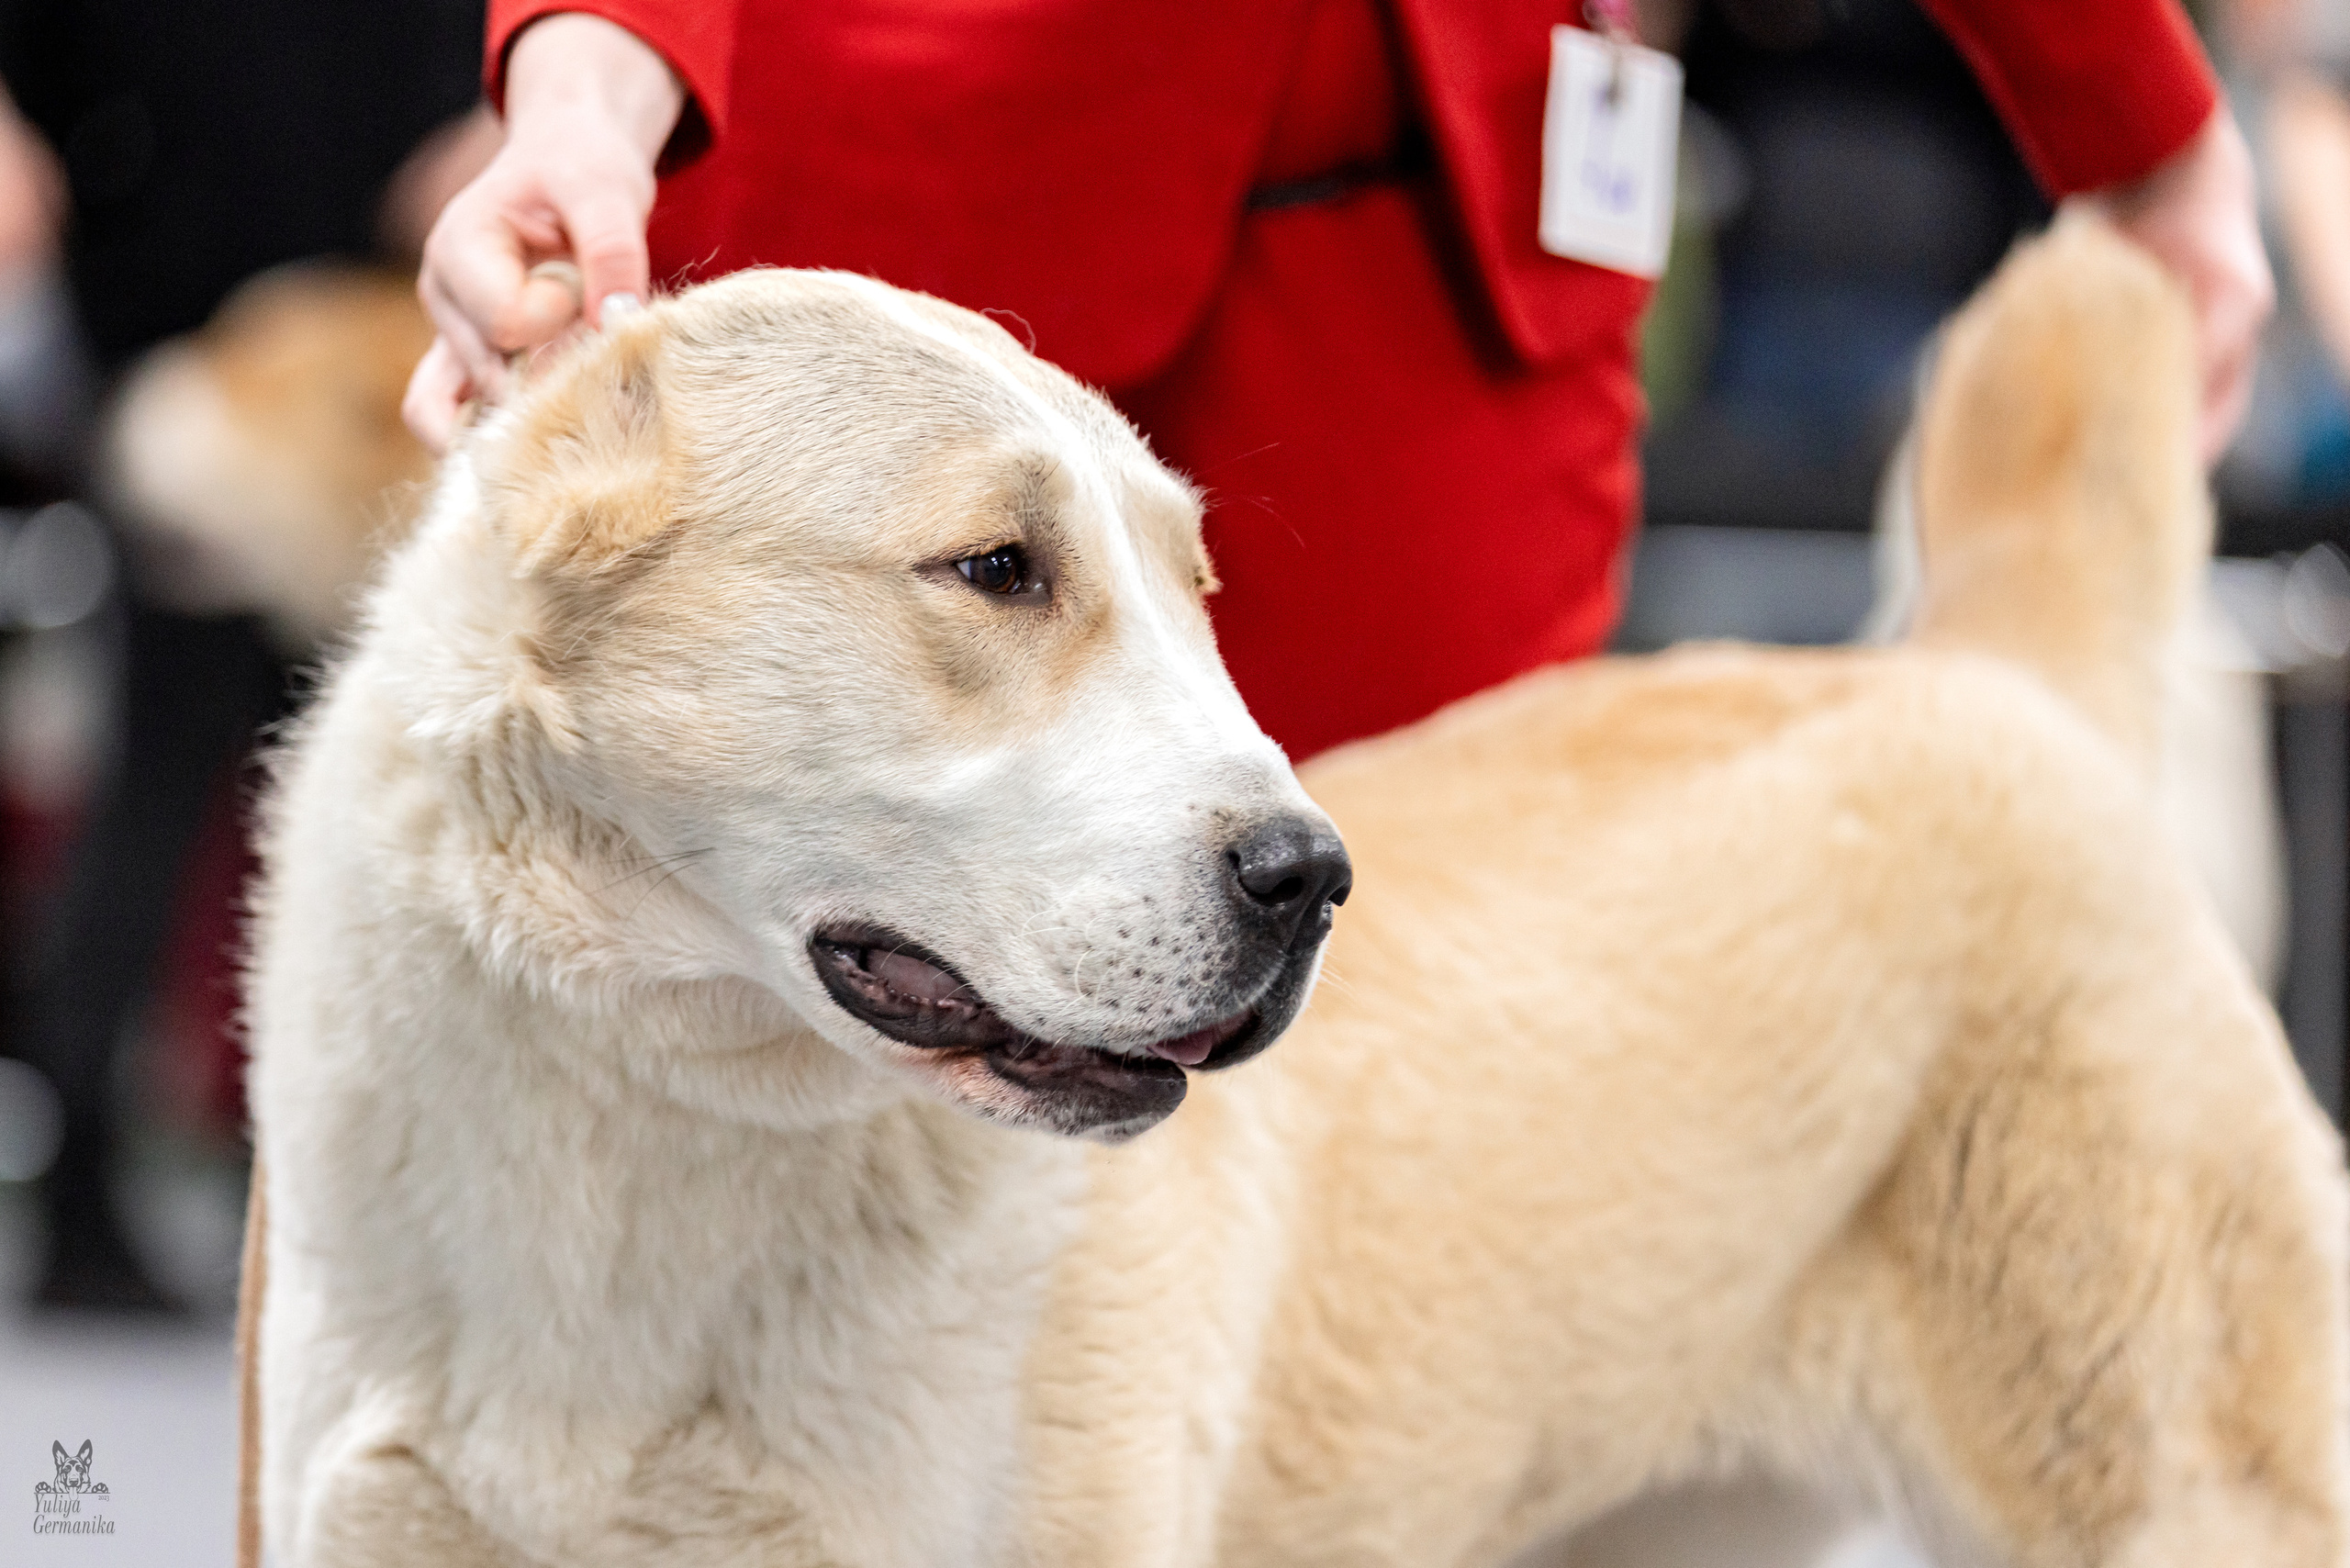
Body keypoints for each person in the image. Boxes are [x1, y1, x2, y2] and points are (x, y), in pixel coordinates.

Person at [410, 0, 2270, 762]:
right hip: (911, 220)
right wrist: (590, 90)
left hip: (1451, 236)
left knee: (1417, 1069)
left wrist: (2132, 111)